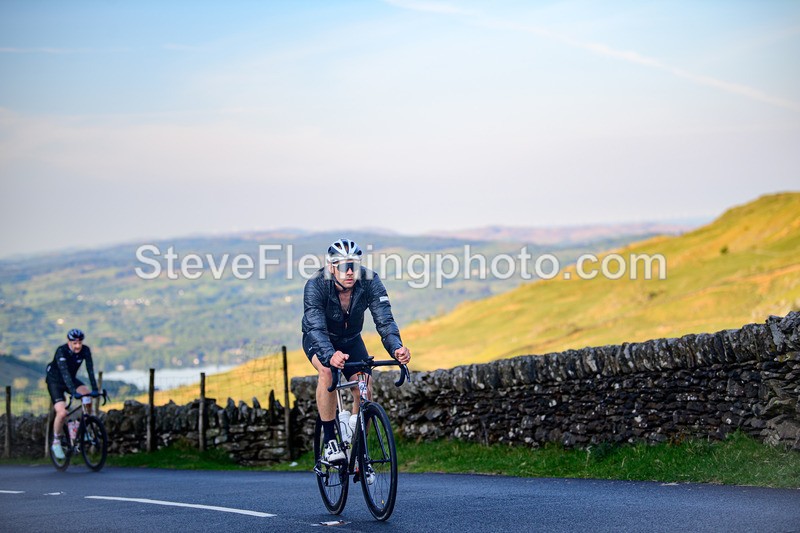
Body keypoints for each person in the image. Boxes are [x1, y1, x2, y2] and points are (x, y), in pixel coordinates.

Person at [302, 238, 411, 462]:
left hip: (351, 340)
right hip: (320, 339)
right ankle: (331, 442)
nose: (350, 271)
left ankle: (358, 449)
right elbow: (315, 325)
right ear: (332, 267)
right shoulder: (316, 285)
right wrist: (330, 355)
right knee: (326, 372)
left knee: (365, 388)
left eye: (355, 265)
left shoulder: (370, 281)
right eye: (343, 266)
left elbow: (385, 320)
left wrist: (397, 348)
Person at [46, 328, 99, 459]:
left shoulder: (85, 350)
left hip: (70, 378)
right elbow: (64, 374)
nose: (78, 346)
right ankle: (56, 441)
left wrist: (95, 389)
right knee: (62, 412)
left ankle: (84, 426)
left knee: (87, 394)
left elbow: (90, 370)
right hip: (55, 382)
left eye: (80, 343)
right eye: (74, 343)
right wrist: (74, 391)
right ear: (69, 342)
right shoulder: (61, 351)